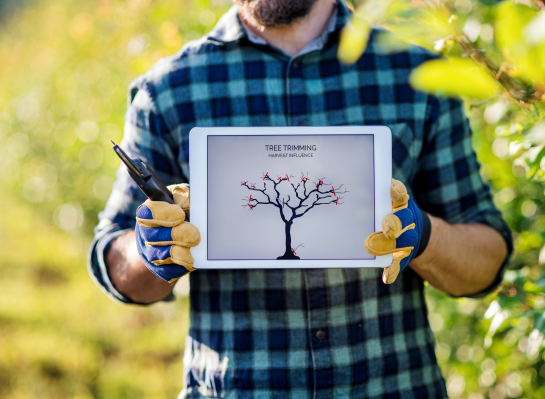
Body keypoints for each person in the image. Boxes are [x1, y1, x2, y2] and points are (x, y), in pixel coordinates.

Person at [88, 0, 513, 397]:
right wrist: (149, 251)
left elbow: (486, 261)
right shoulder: (168, 91)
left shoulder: (419, 77)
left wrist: (424, 236)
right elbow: (113, 259)